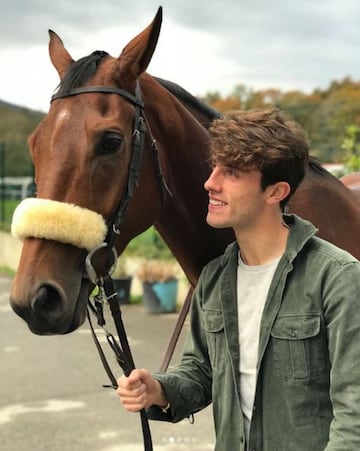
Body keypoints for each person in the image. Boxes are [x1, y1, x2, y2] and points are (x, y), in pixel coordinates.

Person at [116, 108, 360, 450]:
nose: (210, 182)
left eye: (231, 172)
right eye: (215, 167)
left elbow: (355, 417)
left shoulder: (337, 278)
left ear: (275, 192)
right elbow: (200, 374)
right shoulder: (214, 279)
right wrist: (160, 390)